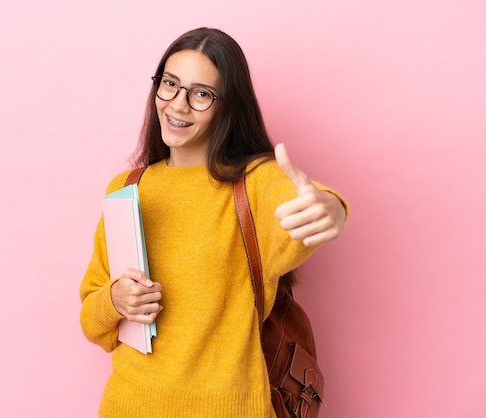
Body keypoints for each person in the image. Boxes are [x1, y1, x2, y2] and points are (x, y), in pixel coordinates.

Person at [79, 27, 348, 418]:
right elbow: (92, 319)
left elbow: (296, 201)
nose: (178, 105)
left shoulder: (255, 181)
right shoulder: (127, 188)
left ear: (228, 105)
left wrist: (329, 208)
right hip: (129, 405)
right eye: (169, 84)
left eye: (201, 94)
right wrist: (115, 299)